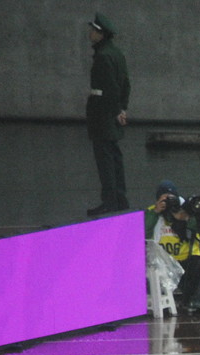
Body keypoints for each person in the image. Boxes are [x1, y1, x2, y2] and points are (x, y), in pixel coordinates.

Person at [144, 180, 200, 315]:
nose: (168, 203)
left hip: (185, 263)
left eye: (171, 199)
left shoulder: (187, 211)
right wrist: (155, 212)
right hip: (163, 265)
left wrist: (185, 219)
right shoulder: (151, 211)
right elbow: (143, 230)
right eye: (164, 199)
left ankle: (195, 302)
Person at [86, 13, 130, 216]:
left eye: (94, 30)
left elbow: (110, 88)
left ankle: (109, 201)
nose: (91, 33)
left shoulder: (103, 56)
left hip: (103, 114)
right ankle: (120, 199)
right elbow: (125, 84)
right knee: (114, 158)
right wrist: (122, 109)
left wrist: (115, 111)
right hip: (112, 113)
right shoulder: (117, 54)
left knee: (105, 161)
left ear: (101, 34)